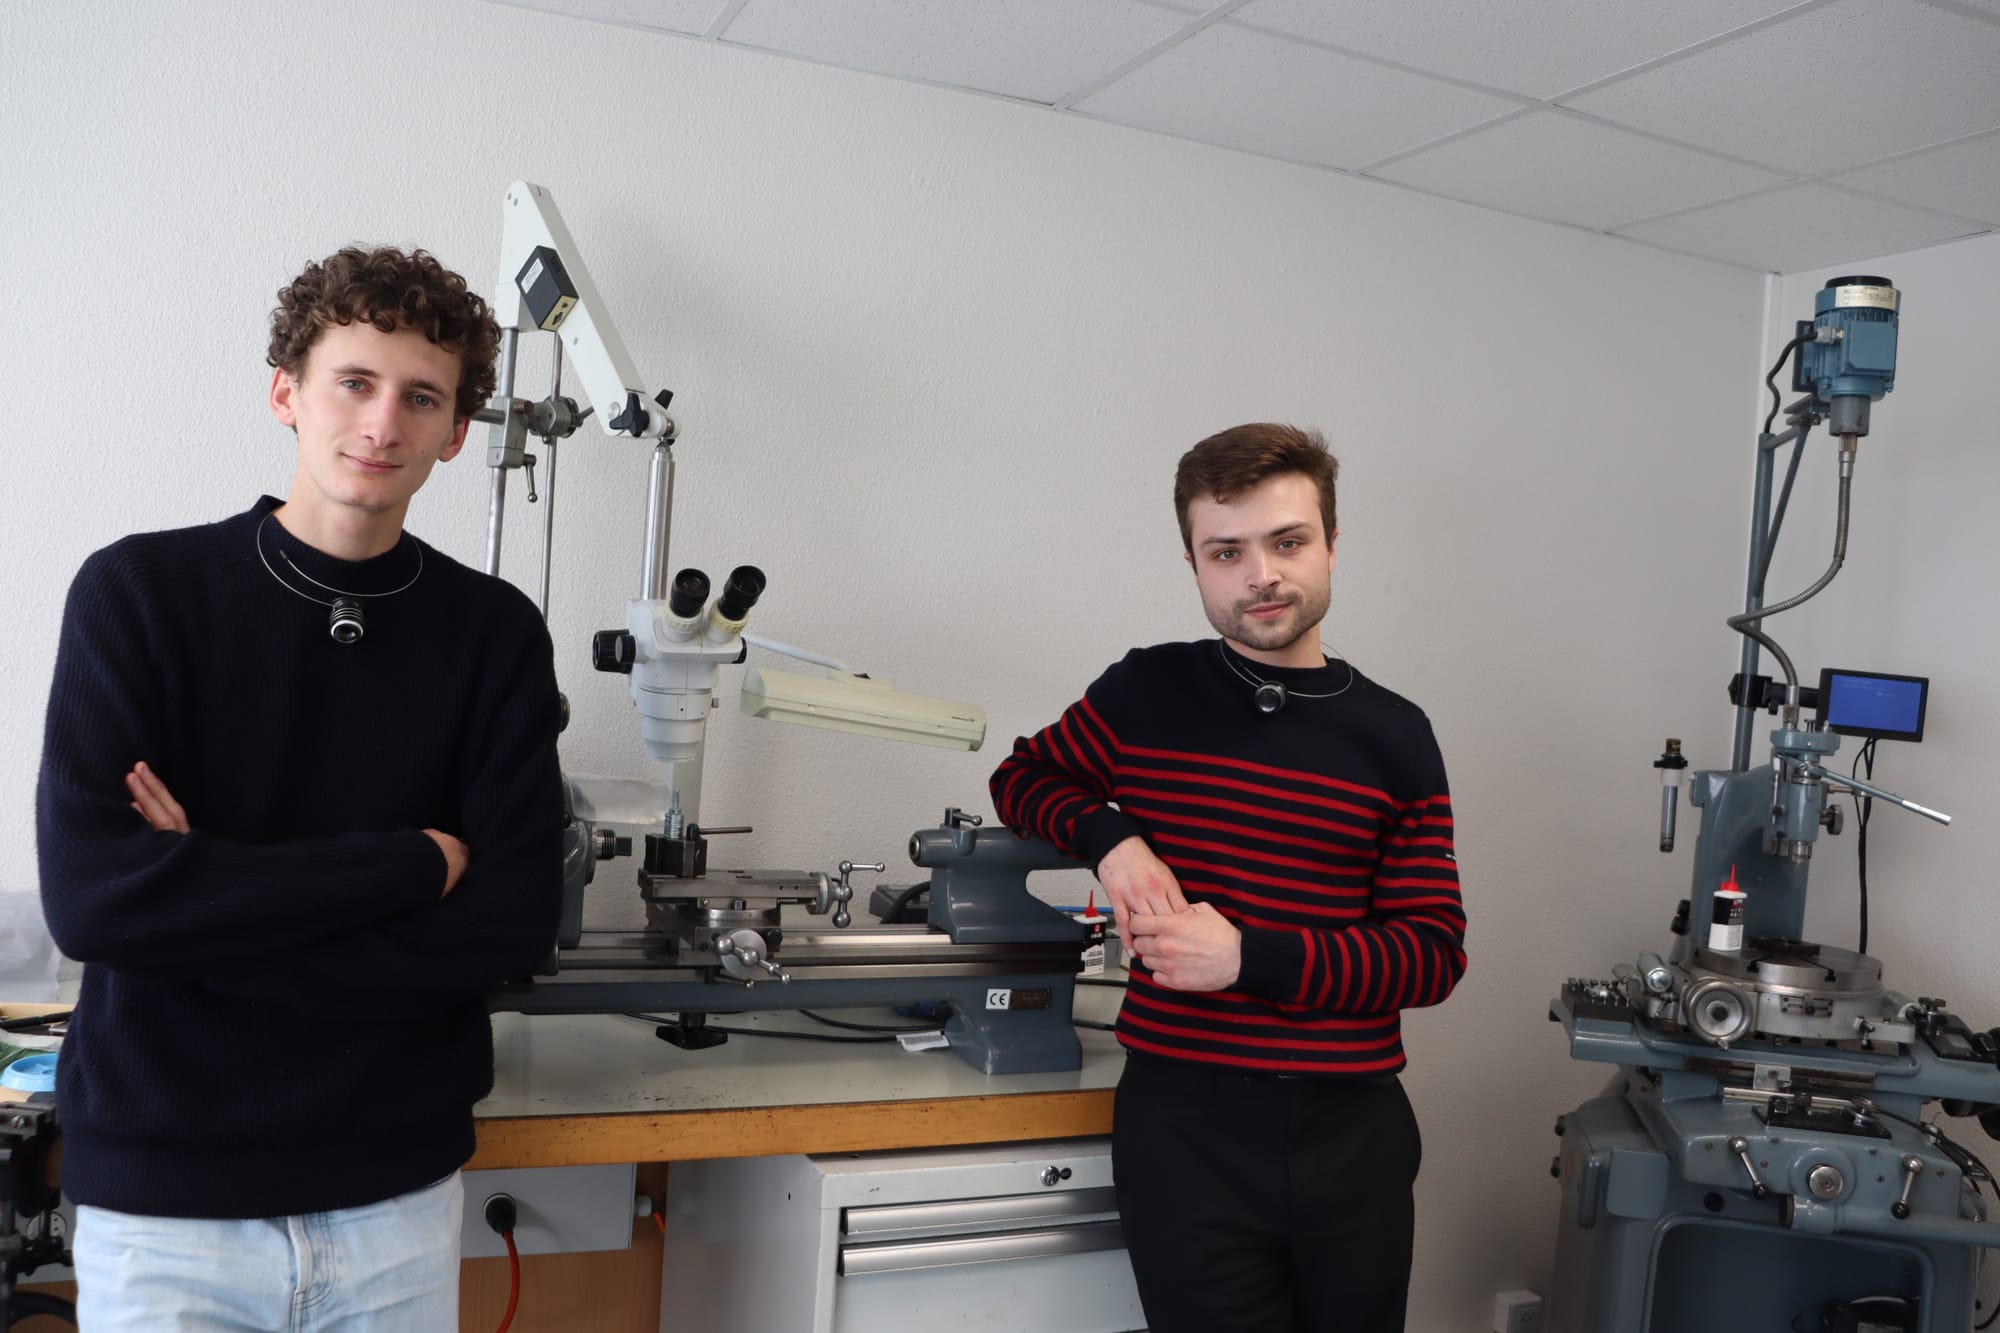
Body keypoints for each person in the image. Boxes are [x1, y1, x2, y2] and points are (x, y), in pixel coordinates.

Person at [37, 245, 565, 1330]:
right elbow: (96, 905)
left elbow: (510, 923)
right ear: (286, 393)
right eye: (354, 382)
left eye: (422, 397)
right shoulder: (140, 594)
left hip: (394, 1203)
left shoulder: (493, 635)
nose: (382, 424)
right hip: (167, 1208)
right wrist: (409, 864)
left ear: (456, 432)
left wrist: (201, 903)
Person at [989, 423, 1465, 1333]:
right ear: (1195, 564)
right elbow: (1023, 776)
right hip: (1183, 1131)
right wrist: (1113, 840)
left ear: (1331, 544)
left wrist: (1247, 957)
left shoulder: (1396, 735)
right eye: (1227, 551)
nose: (1261, 575)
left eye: (1287, 542)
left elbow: (1431, 954)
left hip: (1351, 1134)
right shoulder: (1146, 691)